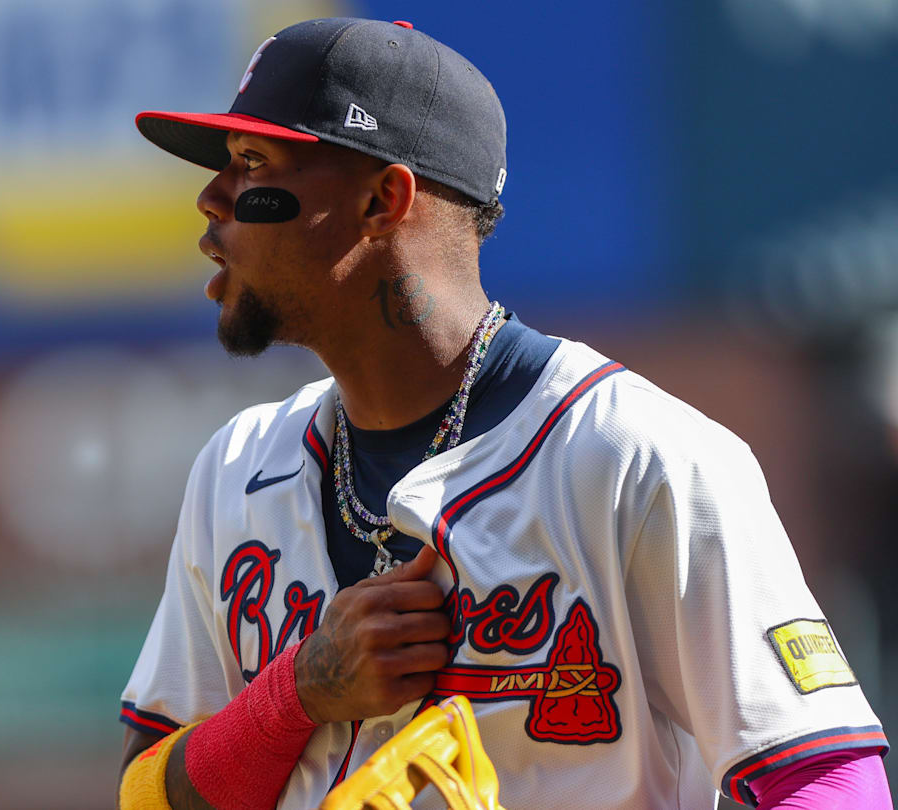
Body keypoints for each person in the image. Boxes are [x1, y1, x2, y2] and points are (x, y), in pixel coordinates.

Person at [116, 17, 890, 810]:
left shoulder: (635, 457)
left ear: (385, 198)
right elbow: (148, 796)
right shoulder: (238, 470)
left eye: (252, 164)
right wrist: (297, 693)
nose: (211, 198)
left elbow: (827, 777)